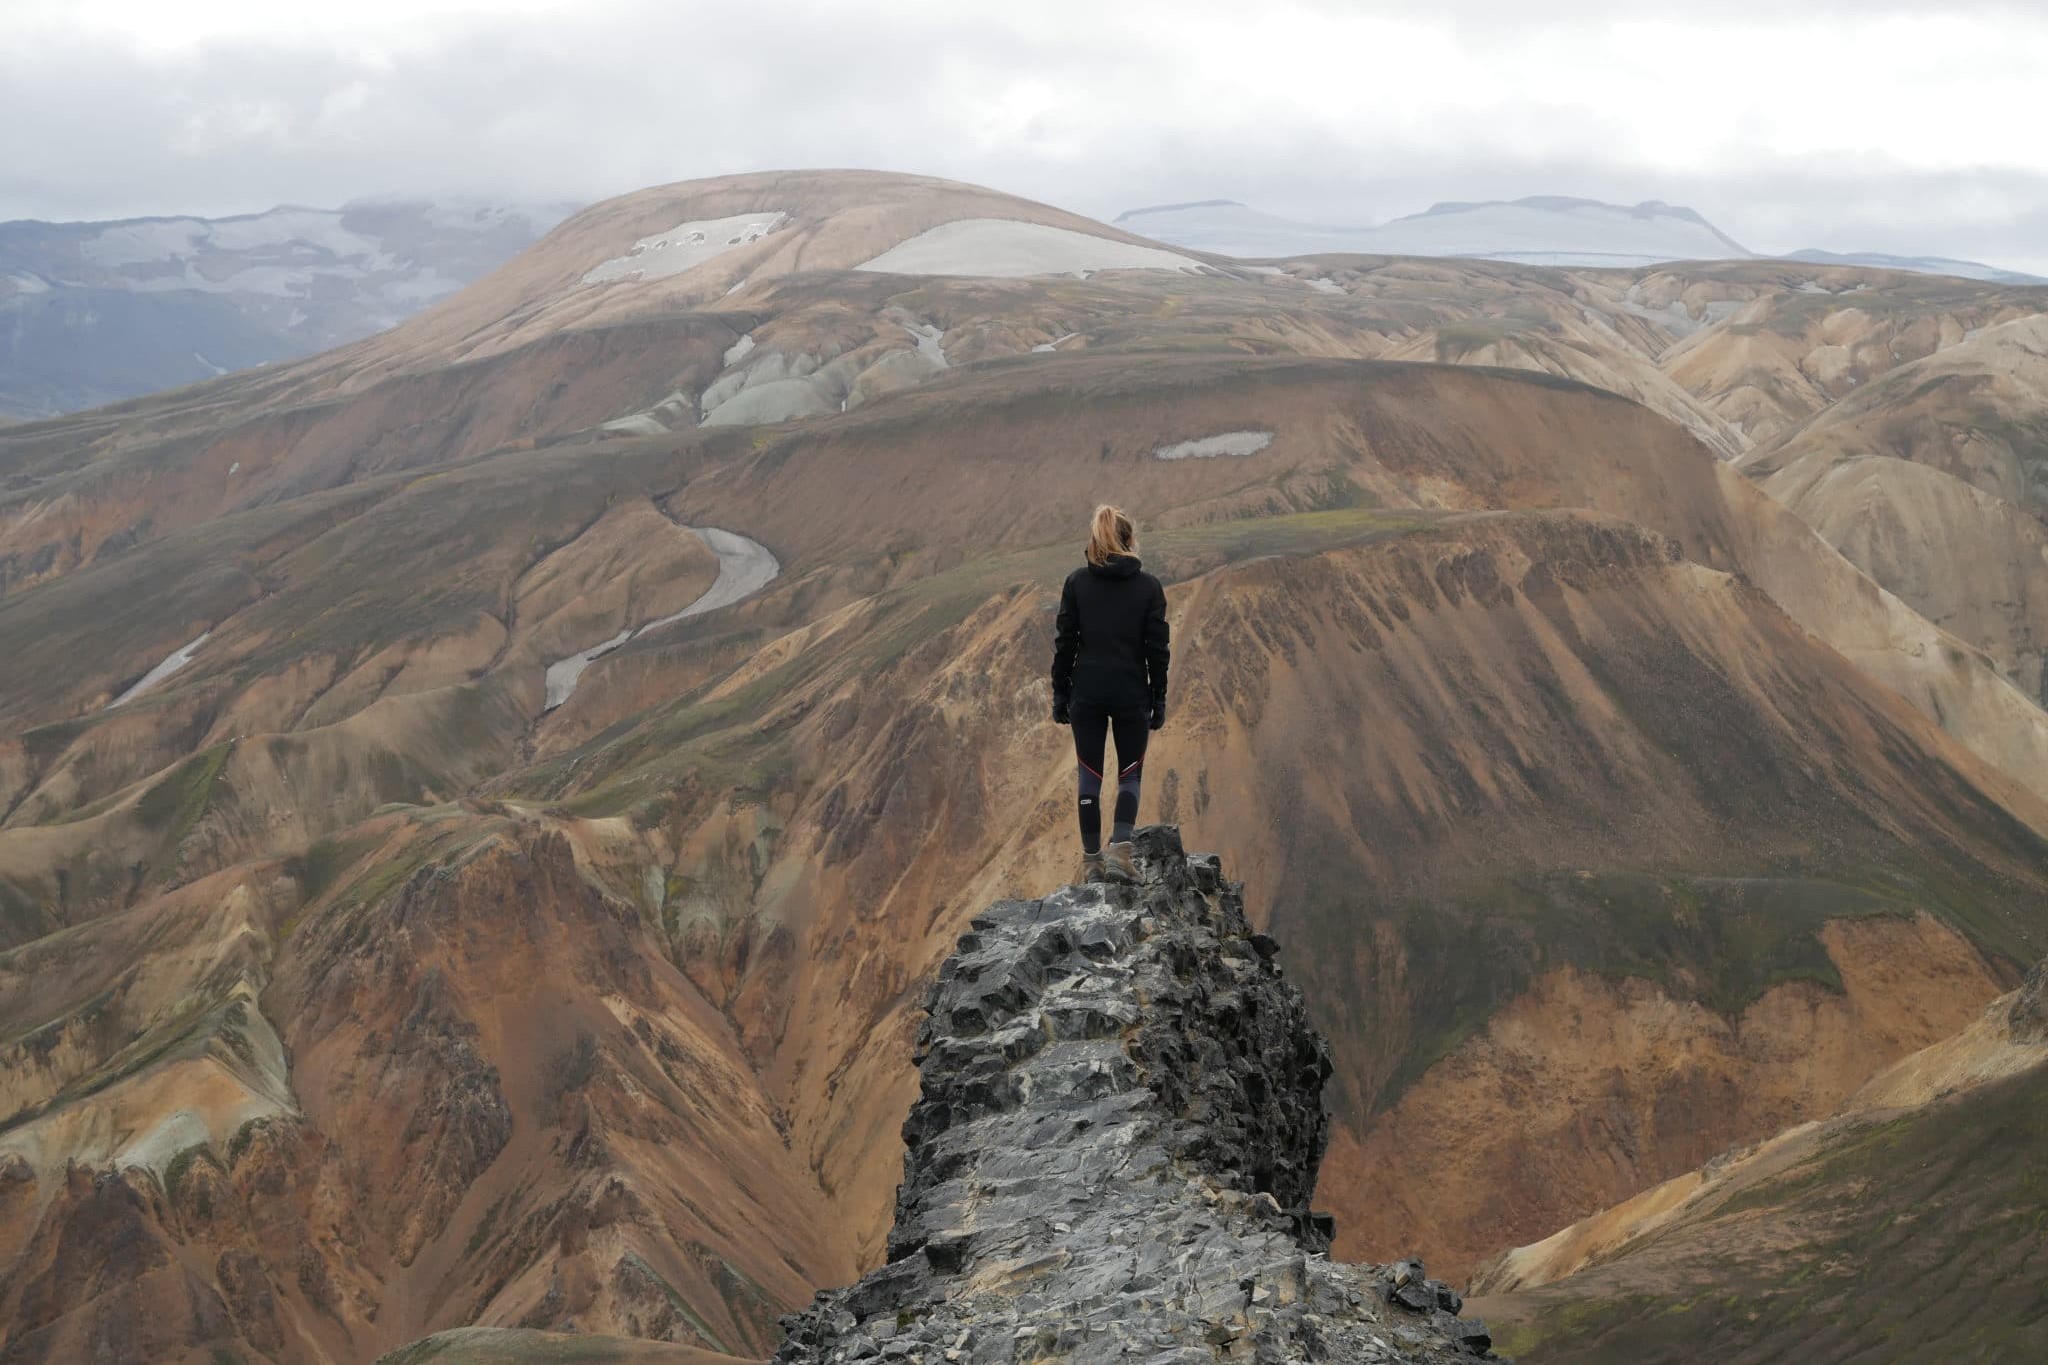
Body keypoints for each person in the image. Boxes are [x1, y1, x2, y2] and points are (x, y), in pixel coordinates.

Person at [1051, 504, 1170, 883]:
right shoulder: (1148, 588)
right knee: (1129, 775)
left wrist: (1060, 693)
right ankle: (1120, 853)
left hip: (1086, 692)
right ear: (1130, 540)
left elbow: (1065, 643)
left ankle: (1092, 865)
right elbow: (1157, 650)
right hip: (1130, 692)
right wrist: (1159, 696)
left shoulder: (1076, 584)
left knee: (1089, 776)